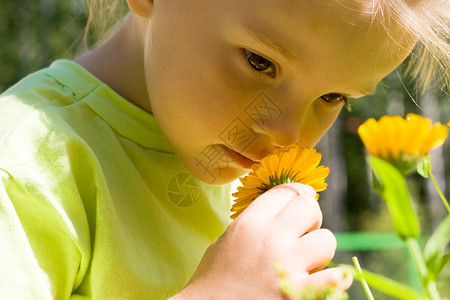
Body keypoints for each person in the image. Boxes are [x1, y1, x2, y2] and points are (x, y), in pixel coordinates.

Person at [0, 0, 448, 298]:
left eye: (332, 98)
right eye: (260, 62)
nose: (288, 135)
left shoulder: (238, 170)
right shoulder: (28, 163)